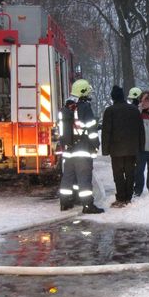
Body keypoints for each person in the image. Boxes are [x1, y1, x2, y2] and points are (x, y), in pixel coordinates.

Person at [58, 79, 104, 213]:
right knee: (84, 177)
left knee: (68, 177)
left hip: (68, 149)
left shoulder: (66, 107)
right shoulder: (84, 107)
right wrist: (96, 144)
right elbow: (91, 129)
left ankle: (65, 202)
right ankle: (88, 205)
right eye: (87, 91)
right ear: (83, 91)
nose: (89, 94)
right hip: (82, 148)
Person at [101, 85, 145, 207]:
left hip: (116, 150)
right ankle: (128, 197)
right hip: (132, 149)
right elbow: (141, 130)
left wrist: (105, 150)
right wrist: (141, 146)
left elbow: (106, 132)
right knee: (130, 173)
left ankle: (121, 198)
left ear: (113, 97)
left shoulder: (109, 111)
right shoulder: (134, 110)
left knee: (118, 174)